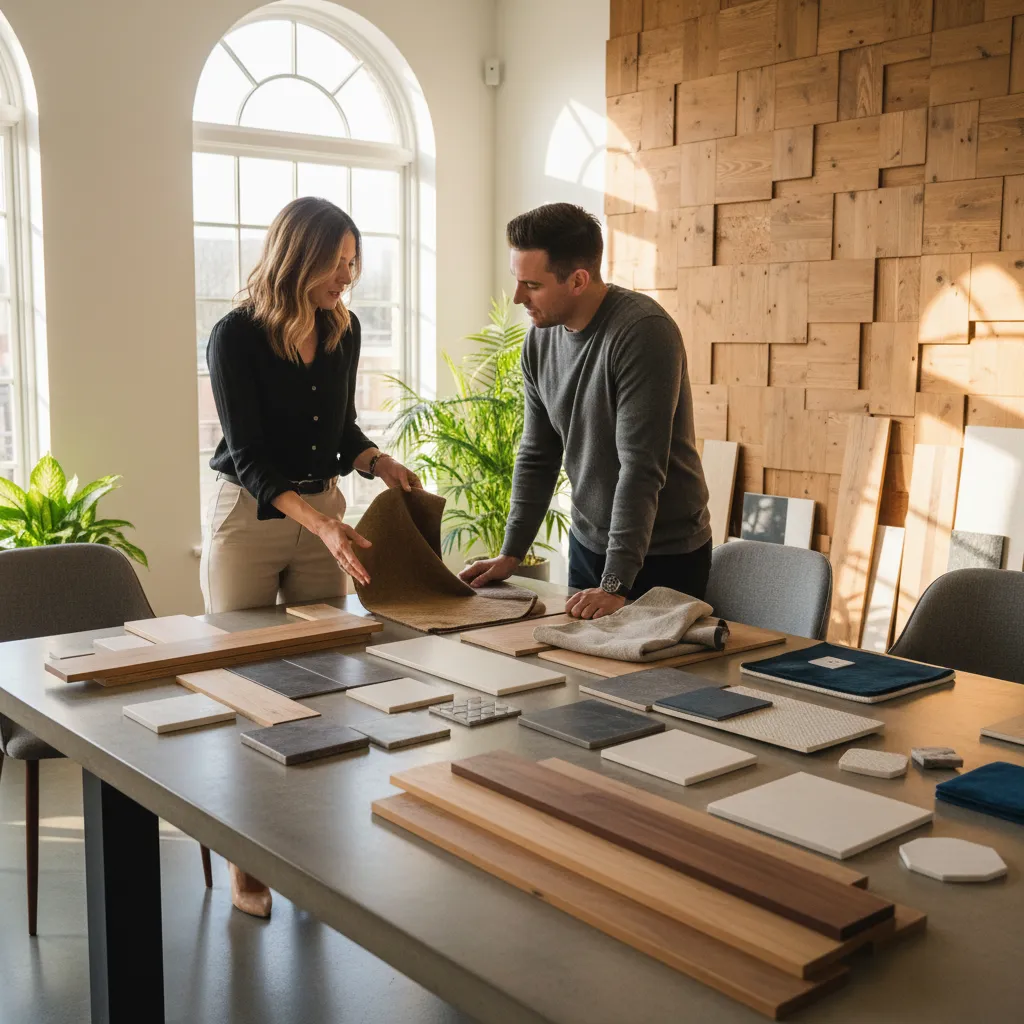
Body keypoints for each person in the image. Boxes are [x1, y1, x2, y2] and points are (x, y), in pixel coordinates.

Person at [201, 196, 421, 916]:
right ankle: (246, 861)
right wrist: (319, 525)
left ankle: (308, 851)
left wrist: (373, 459)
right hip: (250, 516)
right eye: (337, 266)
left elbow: (339, 425)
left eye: (354, 267)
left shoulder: (342, 329)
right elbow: (249, 456)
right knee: (247, 691)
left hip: (323, 509)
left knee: (322, 686)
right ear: (298, 258)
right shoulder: (234, 337)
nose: (346, 282)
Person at [460, 203, 711, 620]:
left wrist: (616, 583)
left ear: (578, 280)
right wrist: (511, 554)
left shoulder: (643, 332)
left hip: (663, 554)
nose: (519, 297)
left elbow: (640, 467)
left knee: (658, 685)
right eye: (517, 282)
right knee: (582, 679)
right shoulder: (539, 342)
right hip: (588, 545)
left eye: (532, 285)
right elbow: (538, 455)